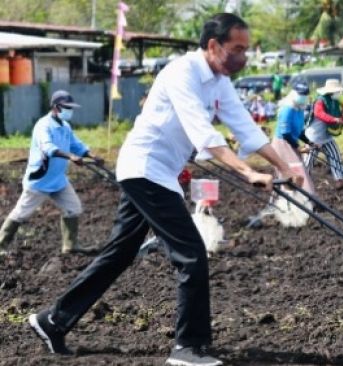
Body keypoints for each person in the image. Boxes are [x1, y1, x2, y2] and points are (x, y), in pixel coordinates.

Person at [28, 14, 303, 366]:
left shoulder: (219, 81)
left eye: (246, 50)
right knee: (191, 256)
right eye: (237, 49)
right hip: (145, 170)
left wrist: (284, 168)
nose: (243, 57)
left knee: (120, 254)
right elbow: (203, 133)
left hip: (159, 173)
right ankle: (188, 348)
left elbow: (246, 128)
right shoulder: (181, 73)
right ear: (214, 45)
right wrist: (248, 172)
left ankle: (54, 320)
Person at [0, 90, 103, 257]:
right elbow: (48, 148)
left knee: (73, 208)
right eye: (67, 107)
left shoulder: (65, 126)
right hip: (40, 179)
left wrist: (92, 156)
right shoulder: (44, 125)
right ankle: (1, 245)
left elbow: (76, 145)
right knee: (21, 214)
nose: (70, 111)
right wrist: (70, 156)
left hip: (58, 180)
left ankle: (70, 246)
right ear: (56, 107)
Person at [304, 79, 343, 190]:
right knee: (309, 160)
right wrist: (334, 120)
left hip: (327, 135)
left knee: (336, 156)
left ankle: (341, 181)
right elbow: (319, 113)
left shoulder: (335, 102)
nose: (338, 93)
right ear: (331, 91)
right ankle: (302, 182)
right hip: (314, 136)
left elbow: (339, 115)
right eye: (337, 91)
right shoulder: (320, 101)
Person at [272, 83, 316, 193]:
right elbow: (285, 132)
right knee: (296, 170)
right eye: (301, 95)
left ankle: (306, 198)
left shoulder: (299, 109)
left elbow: (300, 131)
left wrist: (309, 142)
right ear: (294, 94)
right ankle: (304, 198)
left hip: (291, 142)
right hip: (282, 143)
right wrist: (298, 147)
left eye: (305, 95)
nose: (303, 97)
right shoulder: (288, 108)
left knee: (298, 170)